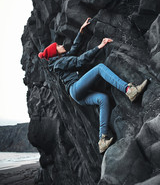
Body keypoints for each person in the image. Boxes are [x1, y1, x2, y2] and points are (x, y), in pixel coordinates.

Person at [38, 18, 147, 153]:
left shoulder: (61, 60)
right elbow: (79, 61)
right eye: (58, 46)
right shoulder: (59, 63)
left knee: (103, 99)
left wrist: (81, 31)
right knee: (100, 68)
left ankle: (102, 140)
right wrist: (100, 46)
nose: (61, 45)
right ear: (55, 52)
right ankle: (129, 90)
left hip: (78, 95)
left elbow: (74, 49)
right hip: (75, 88)